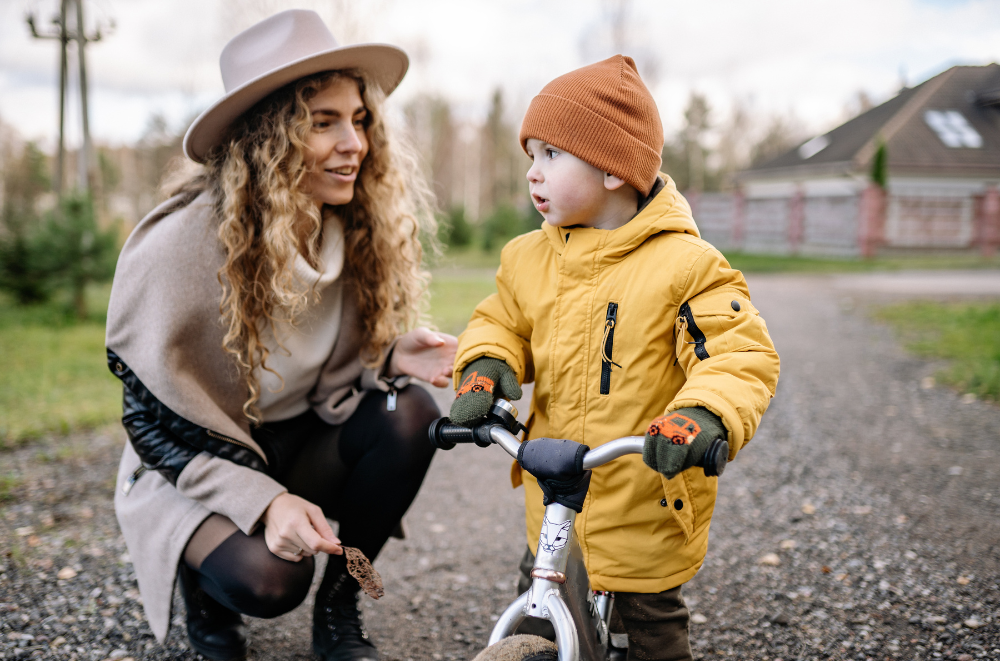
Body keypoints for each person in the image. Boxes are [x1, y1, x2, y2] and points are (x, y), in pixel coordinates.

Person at [105, 10, 456, 661]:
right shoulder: (181, 245)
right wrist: (264, 504)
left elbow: (318, 370)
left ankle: (341, 606)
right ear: (267, 135)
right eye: (323, 122)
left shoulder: (347, 225)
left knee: (408, 414)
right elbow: (147, 422)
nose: (355, 143)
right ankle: (207, 601)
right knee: (270, 579)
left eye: (359, 119)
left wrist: (387, 355)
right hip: (197, 464)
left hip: (297, 439)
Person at [449, 56, 780, 661]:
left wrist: (704, 414)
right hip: (555, 500)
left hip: (643, 500)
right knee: (541, 610)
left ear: (610, 169)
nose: (532, 173)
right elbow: (500, 322)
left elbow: (739, 352)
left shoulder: (686, 266)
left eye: (550, 155)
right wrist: (487, 366)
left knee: (652, 635)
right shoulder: (527, 258)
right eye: (530, 156)